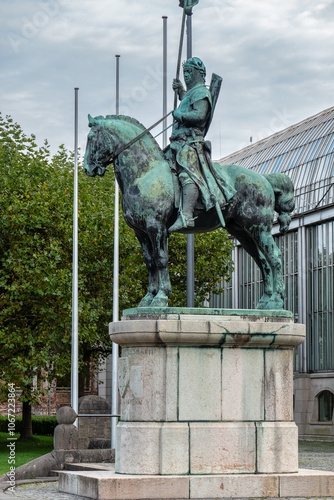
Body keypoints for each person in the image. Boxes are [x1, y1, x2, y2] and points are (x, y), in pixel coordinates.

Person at [167, 57, 235, 233]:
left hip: (191, 144)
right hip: (178, 142)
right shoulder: (192, 94)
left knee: (187, 172)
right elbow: (190, 103)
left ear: (199, 73)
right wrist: (181, 92)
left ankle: (187, 215)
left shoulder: (201, 93)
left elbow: (200, 116)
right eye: (185, 73)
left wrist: (179, 115)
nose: (186, 76)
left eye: (189, 72)